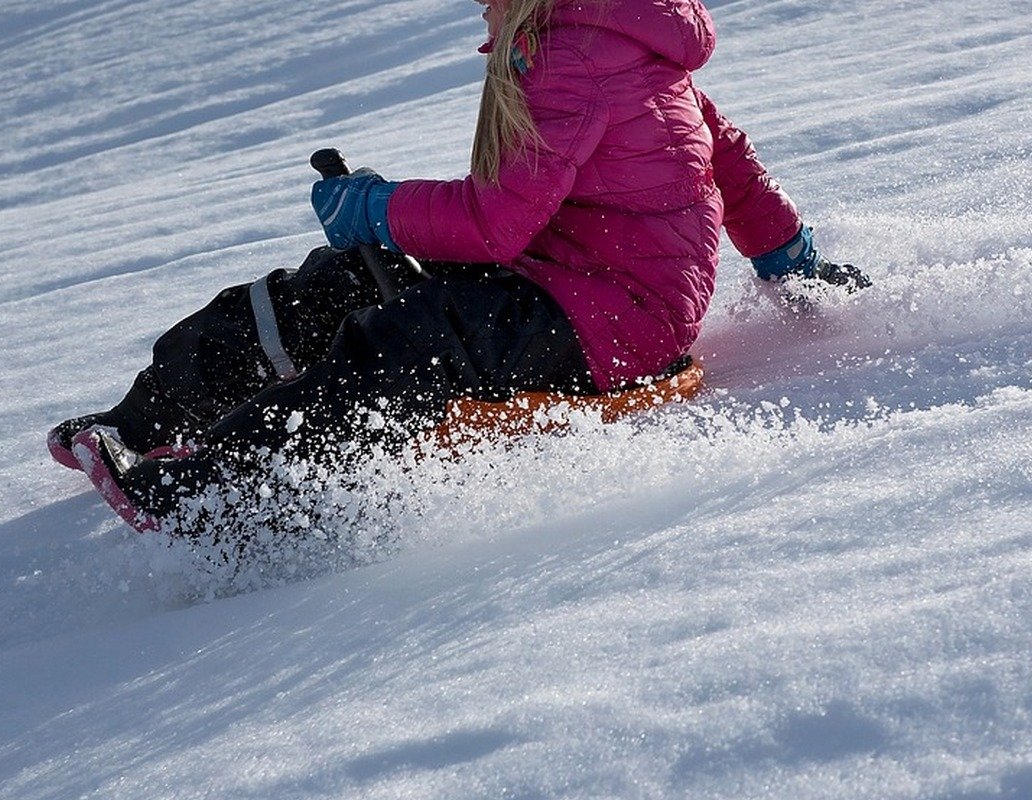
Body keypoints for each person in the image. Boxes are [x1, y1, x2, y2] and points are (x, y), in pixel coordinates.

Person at [51, 0, 868, 540]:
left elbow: (494, 218)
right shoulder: (617, 39)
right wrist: (789, 259)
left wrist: (376, 206)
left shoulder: (573, 56)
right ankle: (141, 422)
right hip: (558, 278)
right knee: (339, 284)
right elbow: (731, 162)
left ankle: (214, 498)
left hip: (611, 319)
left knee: (405, 340)